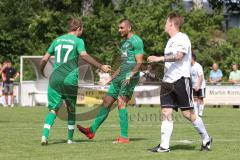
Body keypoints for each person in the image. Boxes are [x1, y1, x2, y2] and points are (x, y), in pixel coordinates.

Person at [40, 18, 111, 145]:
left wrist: (41, 71)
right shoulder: (78, 41)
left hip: (55, 78)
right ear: (78, 29)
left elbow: (44, 59)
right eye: (82, 30)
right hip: (69, 79)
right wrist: (101, 66)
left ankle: (44, 136)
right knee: (71, 109)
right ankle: (69, 139)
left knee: (53, 110)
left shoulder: (56, 40)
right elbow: (84, 55)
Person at [147, 13, 212, 152]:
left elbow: (179, 56)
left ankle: (206, 139)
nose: (164, 25)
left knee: (188, 114)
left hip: (181, 80)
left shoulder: (182, 38)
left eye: (166, 22)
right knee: (166, 111)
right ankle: (164, 146)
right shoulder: (169, 41)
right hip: (167, 82)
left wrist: (159, 59)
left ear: (171, 23)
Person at [77, 19, 144, 144]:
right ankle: (91, 130)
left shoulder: (137, 41)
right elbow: (123, 64)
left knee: (121, 103)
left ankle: (124, 137)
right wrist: (110, 78)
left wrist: (131, 74)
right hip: (120, 77)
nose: (119, 30)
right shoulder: (124, 44)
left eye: (121, 28)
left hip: (130, 78)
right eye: (118, 28)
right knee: (106, 103)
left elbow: (139, 62)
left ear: (129, 28)